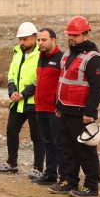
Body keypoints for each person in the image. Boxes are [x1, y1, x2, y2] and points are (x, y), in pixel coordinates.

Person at [49, 16, 100, 197]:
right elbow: (62, 82)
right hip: (65, 110)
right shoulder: (67, 55)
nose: (71, 38)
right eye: (69, 34)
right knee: (68, 149)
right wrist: (58, 105)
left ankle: (91, 187)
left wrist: (90, 112)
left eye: (75, 34)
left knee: (86, 151)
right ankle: (69, 181)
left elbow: (97, 88)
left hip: (82, 113)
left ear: (86, 34)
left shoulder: (94, 59)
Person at [0, 22, 44, 175]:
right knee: (11, 131)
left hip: (33, 102)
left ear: (34, 38)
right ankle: (12, 163)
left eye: (25, 39)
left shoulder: (41, 54)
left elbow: (40, 80)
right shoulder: (17, 53)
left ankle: (38, 168)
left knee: (37, 136)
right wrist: (12, 92)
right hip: (16, 101)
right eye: (20, 39)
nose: (22, 42)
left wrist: (23, 94)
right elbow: (11, 75)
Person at [33, 28, 65, 185]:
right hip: (40, 108)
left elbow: (63, 85)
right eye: (39, 40)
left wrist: (59, 105)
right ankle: (50, 174)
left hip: (54, 110)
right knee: (47, 143)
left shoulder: (62, 58)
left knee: (58, 144)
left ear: (54, 40)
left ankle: (64, 178)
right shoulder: (41, 57)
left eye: (44, 40)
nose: (41, 43)